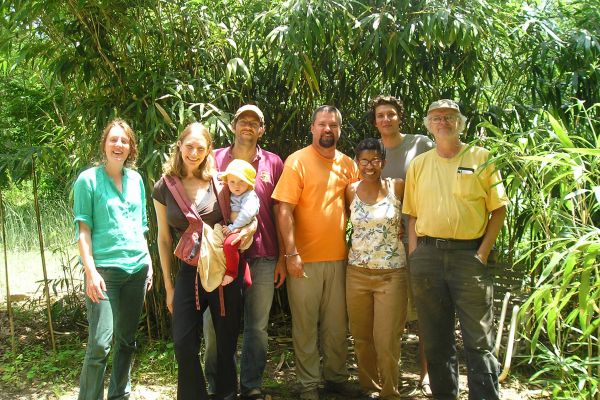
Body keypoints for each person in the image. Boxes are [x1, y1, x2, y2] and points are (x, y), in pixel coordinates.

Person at [403, 99, 508, 400]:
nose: (443, 122)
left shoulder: (481, 157)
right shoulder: (420, 164)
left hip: (468, 257)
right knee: (436, 341)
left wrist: (482, 253)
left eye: (449, 117)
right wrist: (415, 254)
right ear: (428, 125)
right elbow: (411, 215)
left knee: (478, 339)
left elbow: (498, 210)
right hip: (427, 257)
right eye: (436, 117)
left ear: (460, 122)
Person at [152, 122, 253, 400]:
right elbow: (163, 238)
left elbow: (246, 210)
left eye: (200, 147)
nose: (194, 153)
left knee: (225, 343)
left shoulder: (221, 181)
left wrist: (244, 230)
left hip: (223, 274)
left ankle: (226, 395)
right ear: (179, 146)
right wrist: (169, 287)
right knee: (184, 345)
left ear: (209, 150)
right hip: (189, 272)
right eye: (189, 146)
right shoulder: (164, 187)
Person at [272, 105, 361, 400]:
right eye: (322, 124)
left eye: (333, 125)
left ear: (339, 130)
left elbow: (359, 209)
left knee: (337, 327)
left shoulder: (349, 164)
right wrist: (290, 254)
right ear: (312, 128)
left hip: (339, 259)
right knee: (305, 326)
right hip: (304, 260)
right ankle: (309, 384)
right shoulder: (297, 162)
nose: (328, 130)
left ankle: (335, 378)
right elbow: (284, 210)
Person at [204, 105, 285, 400]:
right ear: (234, 126)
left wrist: (284, 256)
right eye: (243, 121)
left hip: (263, 254)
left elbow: (280, 211)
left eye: (254, 122)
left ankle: (250, 385)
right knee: (215, 324)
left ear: (261, 129)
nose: (248, 126)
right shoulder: (214, 159)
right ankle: (218, 385)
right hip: (221, 254)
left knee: (257, 326)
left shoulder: (273, 162)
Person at [74, 118, 152, 400]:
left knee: (127, 341)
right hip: (105, 272)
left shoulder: (137, 180)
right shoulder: (88, 180)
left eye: (124, 140)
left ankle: (119, 395)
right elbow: (83, 230)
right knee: (99, 345)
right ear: (104, 145)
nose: (118, 145)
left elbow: (141, 226)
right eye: (113, 139)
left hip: (136, 270)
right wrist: (90, 271)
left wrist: (149, 262)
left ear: (131, 147)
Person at [368, 95, 434, 396]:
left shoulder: (420, 144)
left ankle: (427, 373)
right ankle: (388, 377)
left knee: (425, 310)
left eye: (391, 114)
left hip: (420, 237)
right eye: (380, 115)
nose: (386, 119)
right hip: (384, 246)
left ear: (400, 117)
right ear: (375, 120)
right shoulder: (373, 152)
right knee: (391, 314)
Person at [345, 138, 407, 400]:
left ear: (384, 161)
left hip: (391, 274)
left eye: (375, 160)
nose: (369, 166)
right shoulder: (350, 190)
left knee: (386, 340)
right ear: (357, 162)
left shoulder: (397, 187)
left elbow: (412, 220)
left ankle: (390, 392)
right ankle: (369, 388)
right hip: (357, 273)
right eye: (364, 160)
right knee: (361, 337)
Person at [218, 159, 260, 286]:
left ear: (249, 182)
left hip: (241, 228)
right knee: (231, 250)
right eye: (232, 182)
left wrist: (233, 227)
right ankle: (245, 276)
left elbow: (247, 214)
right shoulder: (233, 194)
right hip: (233, 227)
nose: (236, 185)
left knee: (230, 244)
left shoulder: (249, 195)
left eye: (241, 181)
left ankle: (231, 272)